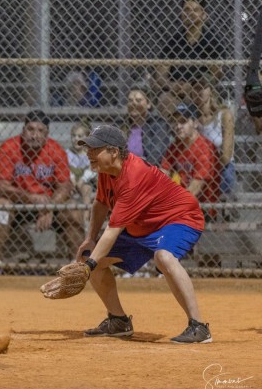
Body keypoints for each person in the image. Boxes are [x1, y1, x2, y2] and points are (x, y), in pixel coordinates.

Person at [75, 124, 212, 343]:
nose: (89, 153)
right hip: (141, 226)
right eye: (88, 148)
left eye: (95, 148)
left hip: (179, 218)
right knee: (89, 255)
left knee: (163, 257)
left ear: (114, 151)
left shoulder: (134, 175)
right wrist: (90, 239)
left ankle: (199, 327)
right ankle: (118, 320)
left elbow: (112, 230)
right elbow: (101, 202)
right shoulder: (106, 170)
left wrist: (88, 266)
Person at [0, 110, 83, 265]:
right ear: (23, 130)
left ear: (47, 134)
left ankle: (78, 265)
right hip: (18, 204)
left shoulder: (56, 150)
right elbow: (1, 187)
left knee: (73, 209)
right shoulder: (9, 147)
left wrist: (49, 207)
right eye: (30, 129)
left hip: (50, 204)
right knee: (0, 207)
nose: (34, 135)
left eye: (40, 131)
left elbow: (65, 186)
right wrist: (31, 198)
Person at [152, 0, 226, 122]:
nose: (190, 13)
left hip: (201, 90)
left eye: (195, 10)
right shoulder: (173, 41)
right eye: (186, 10)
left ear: (204, 15)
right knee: (165, 100)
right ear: (181, 14)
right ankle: (170, 139)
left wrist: (192, 88)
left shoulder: (212, 41)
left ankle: (203, 139)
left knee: (204, 97)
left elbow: (217, 73)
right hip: (176, 92)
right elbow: (160, 74)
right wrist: (172, 86)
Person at [160, 103, 221, 219]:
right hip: (179, 206)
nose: (178, 126)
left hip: (202, 208)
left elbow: (195, 187)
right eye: (174, 122)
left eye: (183, 121)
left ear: (195, 123)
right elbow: (161, 175)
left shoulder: (205, 148)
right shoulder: (175, 147)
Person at [194, 76, 236, 200]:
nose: (199, 90)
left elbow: (226, 156)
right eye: (195, 87)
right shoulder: (190, 117)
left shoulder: (224, 114)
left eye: (203, 86)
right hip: (196, 168)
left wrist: (207, 172)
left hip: (221, 169)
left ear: (211, 90)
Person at [123, 85, 170, 166]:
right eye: (130, 100)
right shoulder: (121, 124)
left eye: (138, 100)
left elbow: (156, 156)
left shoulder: (158, 125)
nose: (133, 103)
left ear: (148, 104)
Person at [66, 122, 97, 207]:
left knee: (86, 189)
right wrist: (72, 180)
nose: (76, 139)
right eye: (73, 136)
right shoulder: (67, 153)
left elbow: (92, 170)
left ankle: (86, 217)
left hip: (85, 181)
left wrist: (82, 180)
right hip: (71, 181)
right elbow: (65, 169)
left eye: (80, 136)